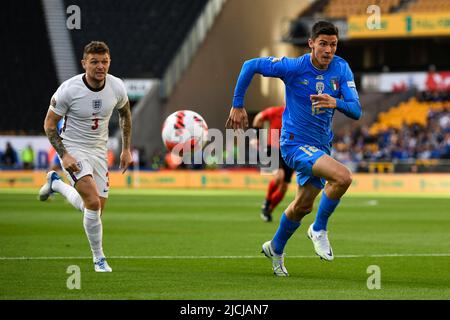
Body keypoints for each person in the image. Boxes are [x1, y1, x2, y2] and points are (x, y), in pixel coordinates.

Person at [226, 21, 362, 276]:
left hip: (321, 145)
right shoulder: (294, 67)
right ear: (311, 43)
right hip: (294, 144)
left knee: (303, 205)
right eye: (323, 44)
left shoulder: (341, 68)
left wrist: (335, 102)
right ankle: (319, 229)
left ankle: (276, 248)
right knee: (343, 177)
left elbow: (356, 110)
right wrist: (238, 104)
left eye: (333, 44)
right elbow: (250, 65)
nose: (329, 50)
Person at [38, 41, 133, 272]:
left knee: (95, 208)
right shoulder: (69, 90)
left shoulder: (117, 86)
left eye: (104, 61)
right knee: (91, 201)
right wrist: (64, 154)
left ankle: (56, 184)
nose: (100, 66)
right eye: (94, 62)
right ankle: (99, 258)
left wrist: (126, 148)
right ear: (84, 63)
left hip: (99, 151)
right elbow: (49, 124)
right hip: (73, 147)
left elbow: (125, 116)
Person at [252, 106, 294, 222]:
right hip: (274, 148)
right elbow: (258, 118)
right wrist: (256, 137)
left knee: (284, 187)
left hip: (291, 150)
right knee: (279, 176)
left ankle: (268, 210)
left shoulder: (298, 113)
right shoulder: (276, 111)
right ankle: (267, 200)